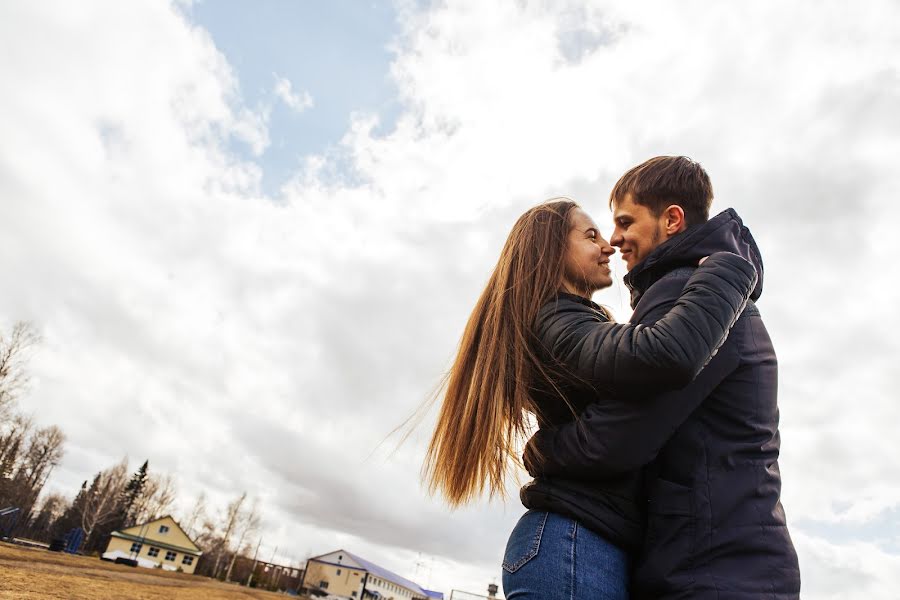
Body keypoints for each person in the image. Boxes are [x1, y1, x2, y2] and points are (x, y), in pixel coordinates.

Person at [423, 198, 759, 599]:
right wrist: (728, 271)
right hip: (572, 546)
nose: (608, 245)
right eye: (590, 235)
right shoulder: (556, 321)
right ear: (550, 252)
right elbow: (662, 353)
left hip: (583, 544)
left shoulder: (570, 320)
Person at [524, 157, 801, 599]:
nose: (615, 241)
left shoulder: (684, 292)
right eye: (598, 232)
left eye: (624, 222)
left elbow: (617, 437)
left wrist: (540, 450)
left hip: (715, 570)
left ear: (671, 219)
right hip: (730, 564)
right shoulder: (694, 292)